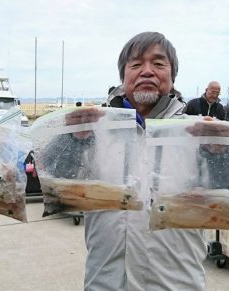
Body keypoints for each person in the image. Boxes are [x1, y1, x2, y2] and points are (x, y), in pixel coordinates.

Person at [83, 32, 208, 290]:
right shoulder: (94, 132)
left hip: (176, 284)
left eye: (159, 64)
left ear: (172, 77)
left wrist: (220, 153)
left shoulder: (197, 135)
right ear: (123, 77)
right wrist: (69, 141)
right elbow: (58, 187)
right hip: (104, 283)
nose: (147, 71)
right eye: (136, 64)